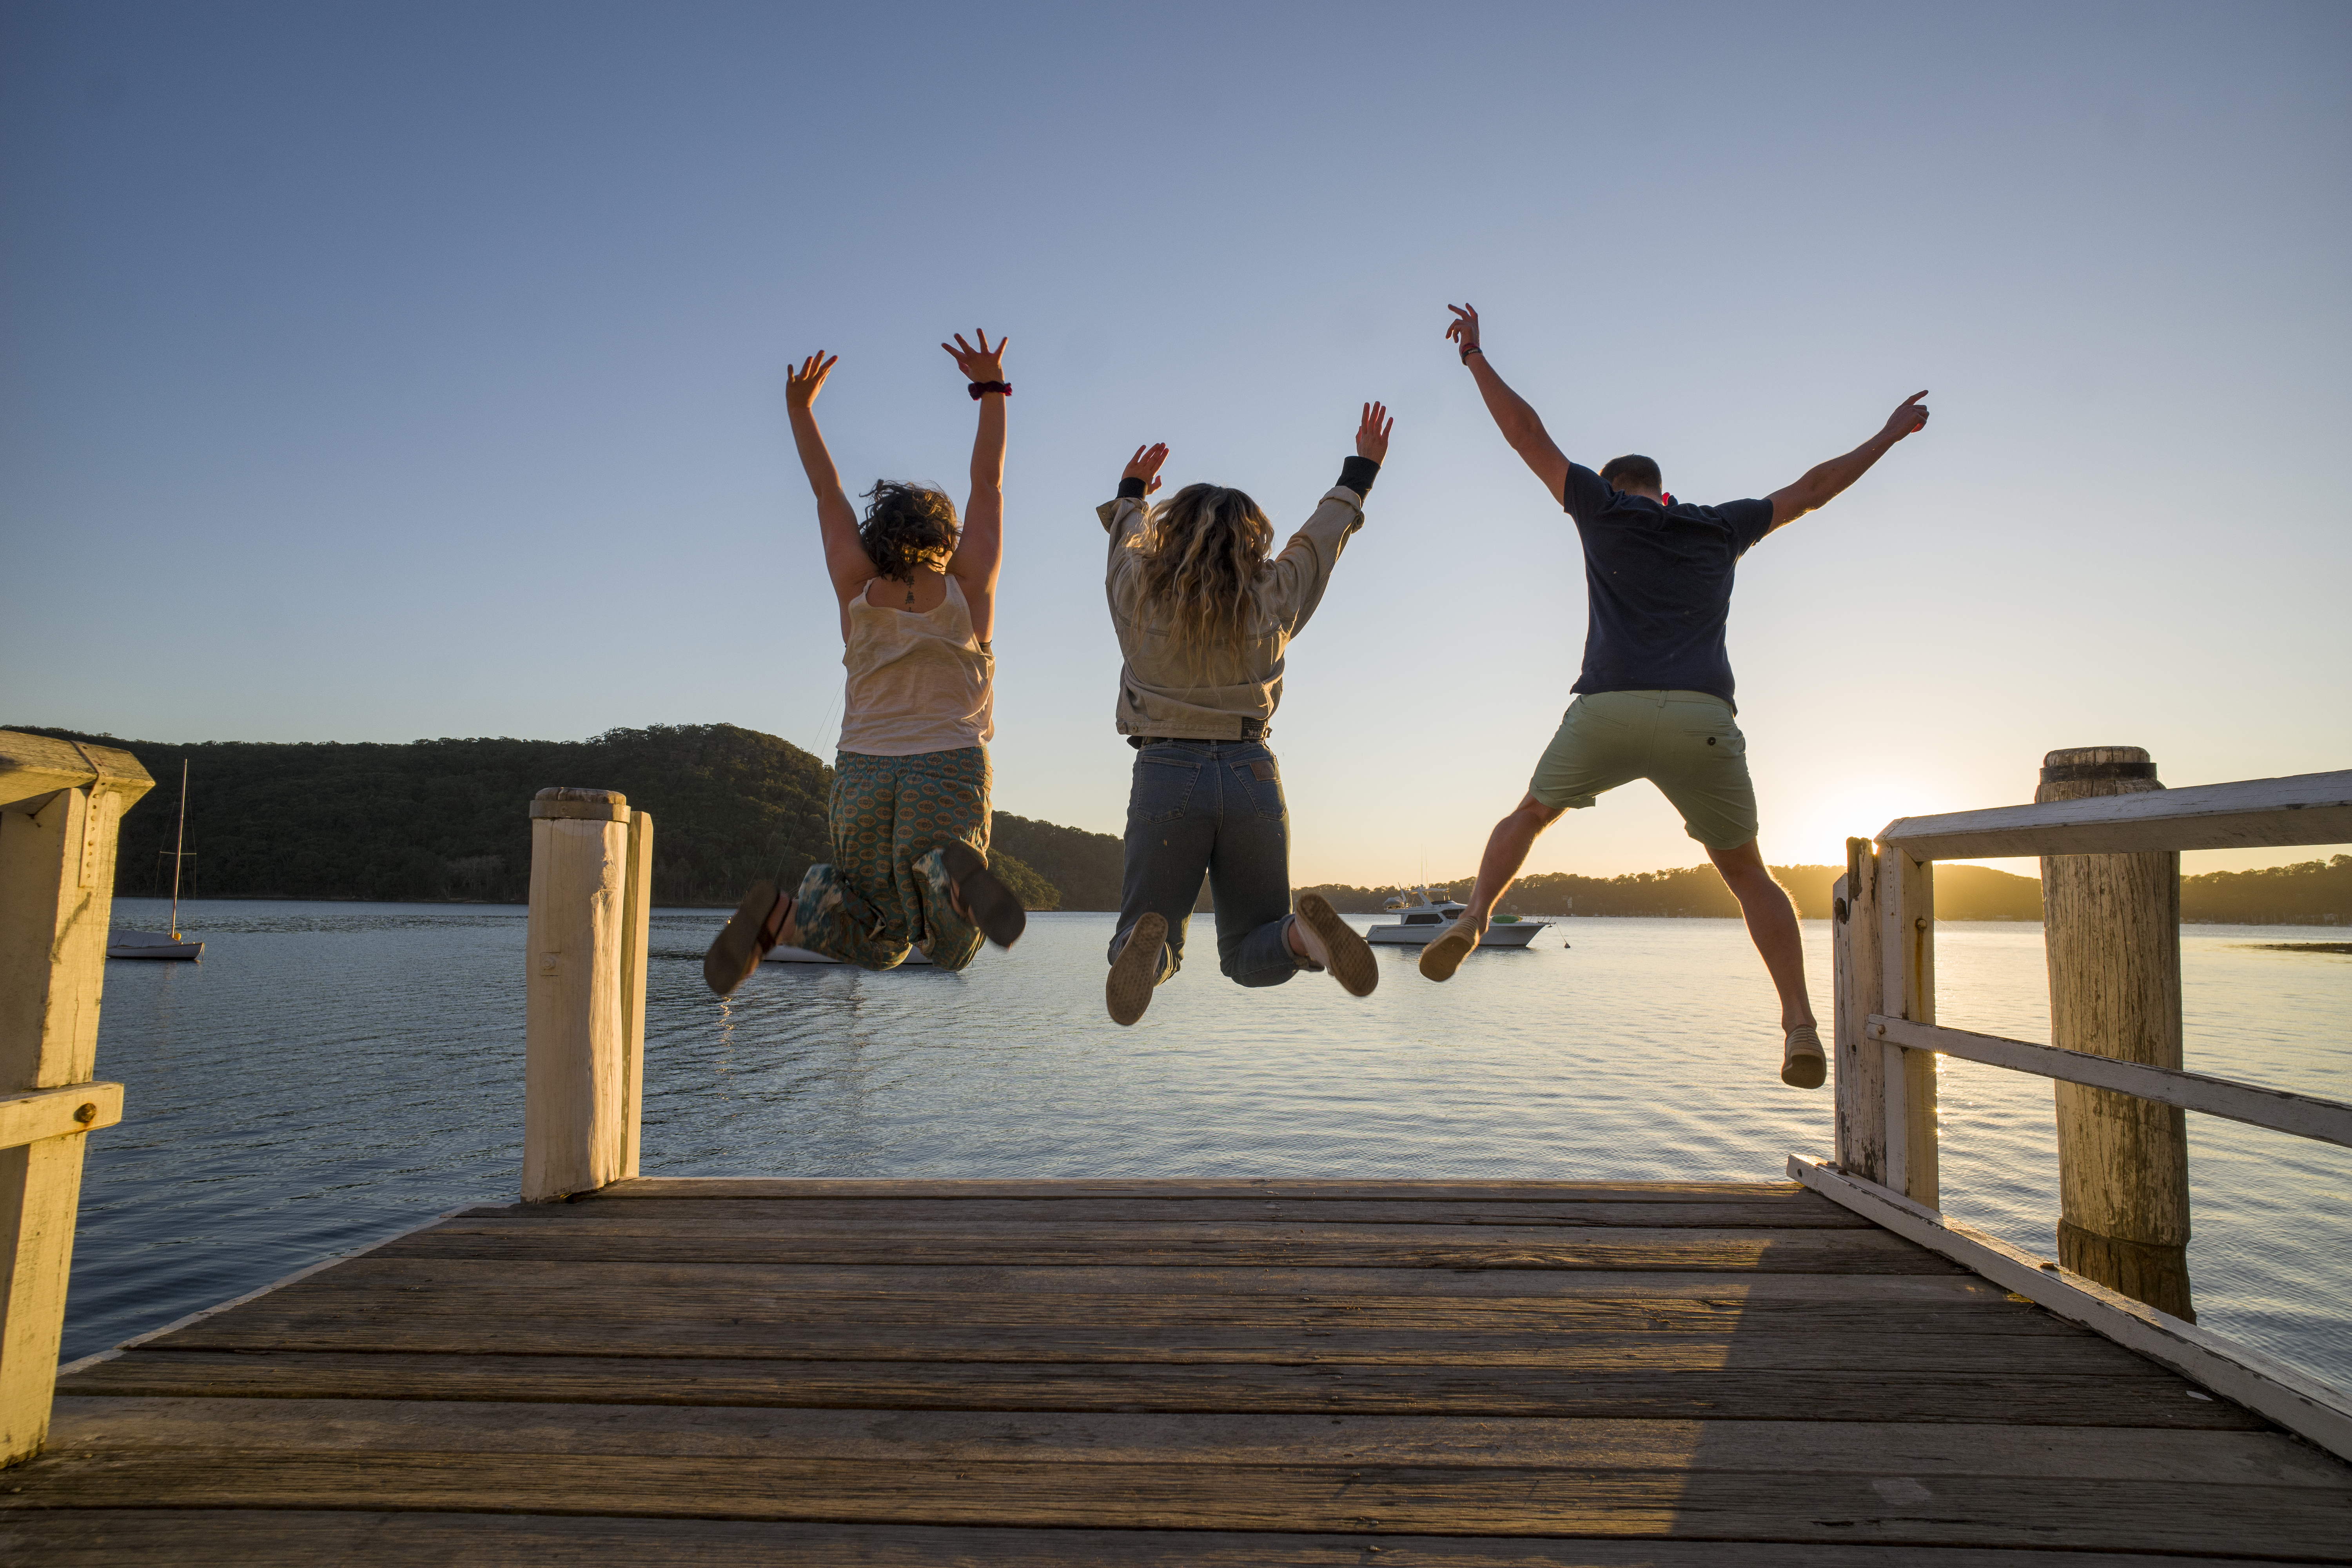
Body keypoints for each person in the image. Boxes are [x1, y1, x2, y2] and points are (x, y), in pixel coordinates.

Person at [1424, 303, 1931, 1089]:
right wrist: (1889, 434)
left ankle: (1474, 914)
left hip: (1607, 709)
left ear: (1618, 489)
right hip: (1701, 718)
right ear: (1665, 493)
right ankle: (1798, 1020)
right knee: (1750, 876)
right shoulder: (1717, 527)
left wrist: (1477, 357)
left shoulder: (1599, 508)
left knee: (1530, 813)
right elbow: (1813, 490)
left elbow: (1527, 434)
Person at [703, 332, 1026, 995]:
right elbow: (988, 483)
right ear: (946, 537)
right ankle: (954, 880)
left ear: (876, 537)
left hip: (862, 775)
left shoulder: (857, 592)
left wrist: (801, 411)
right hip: (947, 762)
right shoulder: (968, 588)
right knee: (951, 950)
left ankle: (788, 915)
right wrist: (992, 389)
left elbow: (828, 494)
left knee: (878, 939)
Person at [1097, 405, 1396, 1026]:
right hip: (1251, 772)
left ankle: (1141, 949)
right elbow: (1320, 541)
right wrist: (1360, 471)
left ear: (1172, 533)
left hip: (1165, 770)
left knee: (1153, 932)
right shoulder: (1274, 595)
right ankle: (1305, 939)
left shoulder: (1137, 592)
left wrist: (1133, 492)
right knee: (1249, 948)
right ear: (1254, 539)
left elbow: (1125, 541)